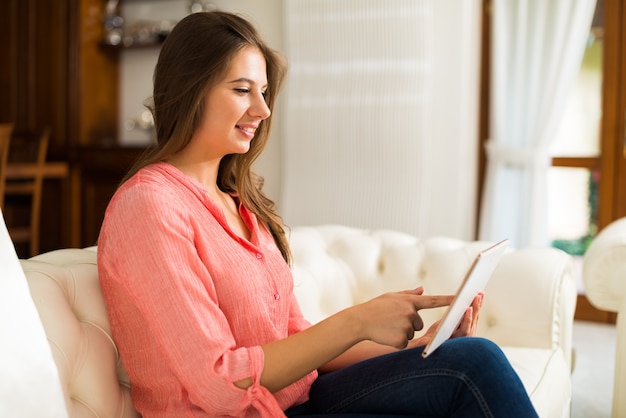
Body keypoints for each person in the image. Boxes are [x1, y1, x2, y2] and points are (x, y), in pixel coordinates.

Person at [97, 10, 539, 418]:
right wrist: (356, 320)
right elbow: (219, 381)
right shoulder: (150, 206)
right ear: (189, 89)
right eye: (242, 90)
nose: (263, 110)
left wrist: (420, 350)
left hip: (300, 402)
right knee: (474, 365)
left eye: (265, 92)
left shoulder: (240, 205)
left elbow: (297, 342)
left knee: (466, 357)